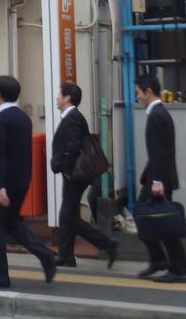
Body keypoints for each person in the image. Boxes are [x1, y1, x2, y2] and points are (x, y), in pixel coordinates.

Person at [0, 75, 57, 288]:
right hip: (20, 182)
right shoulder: (23, 118)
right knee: (12, 224)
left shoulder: (0, 121)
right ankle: (46, 255)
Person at [51, 82, 118, 268]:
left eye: (59, 95)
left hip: (75, 174)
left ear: (67, 98)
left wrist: (67, 170)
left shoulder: (72, 118)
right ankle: (66, 256)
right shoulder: (72, 117)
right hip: (74, 174)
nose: (57, 98)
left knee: (68, 216)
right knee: (68, 214)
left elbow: (73, 147)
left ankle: (106, 243)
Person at [134, 74, 186, 282]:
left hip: (159, 180)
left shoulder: (157, 115)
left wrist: (157, 183)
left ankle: (177, 270)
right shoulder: (158, 113)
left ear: (148, 91)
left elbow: (159, 153)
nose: (137, 96)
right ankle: (159, 260)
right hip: (157, 176)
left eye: (138, 92)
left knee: (165, 224)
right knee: (149, 217)